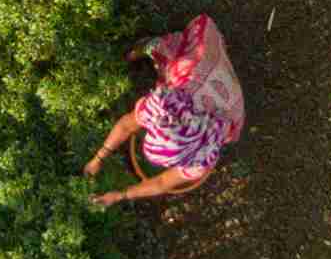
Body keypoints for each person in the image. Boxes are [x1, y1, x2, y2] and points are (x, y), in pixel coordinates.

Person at [84, 14, 246, 207]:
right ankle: (157, 47)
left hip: (220, 89)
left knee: (180, 65)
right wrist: (99, 157)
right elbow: (127, 126)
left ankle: (160, 46)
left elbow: (162, 182)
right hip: (211, 78)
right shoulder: (168, 104)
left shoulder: (200, 160)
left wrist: (120, 195)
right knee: (176, 64)